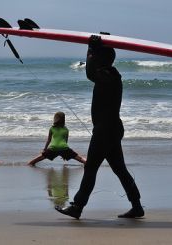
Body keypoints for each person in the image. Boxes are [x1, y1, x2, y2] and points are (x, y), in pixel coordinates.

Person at [55, 36, 144, 219]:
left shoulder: (108, 75)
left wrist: (91, 49)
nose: (94, 60)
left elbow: (89, 73)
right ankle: (137, 206)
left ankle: (78, 206)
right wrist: (98, 45)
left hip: (106, 131)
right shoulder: (110, 73)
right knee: (120, 169)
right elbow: (93, 72)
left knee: (91, 168)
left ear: (102, 59)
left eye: (96, 57)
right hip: (110, 130)